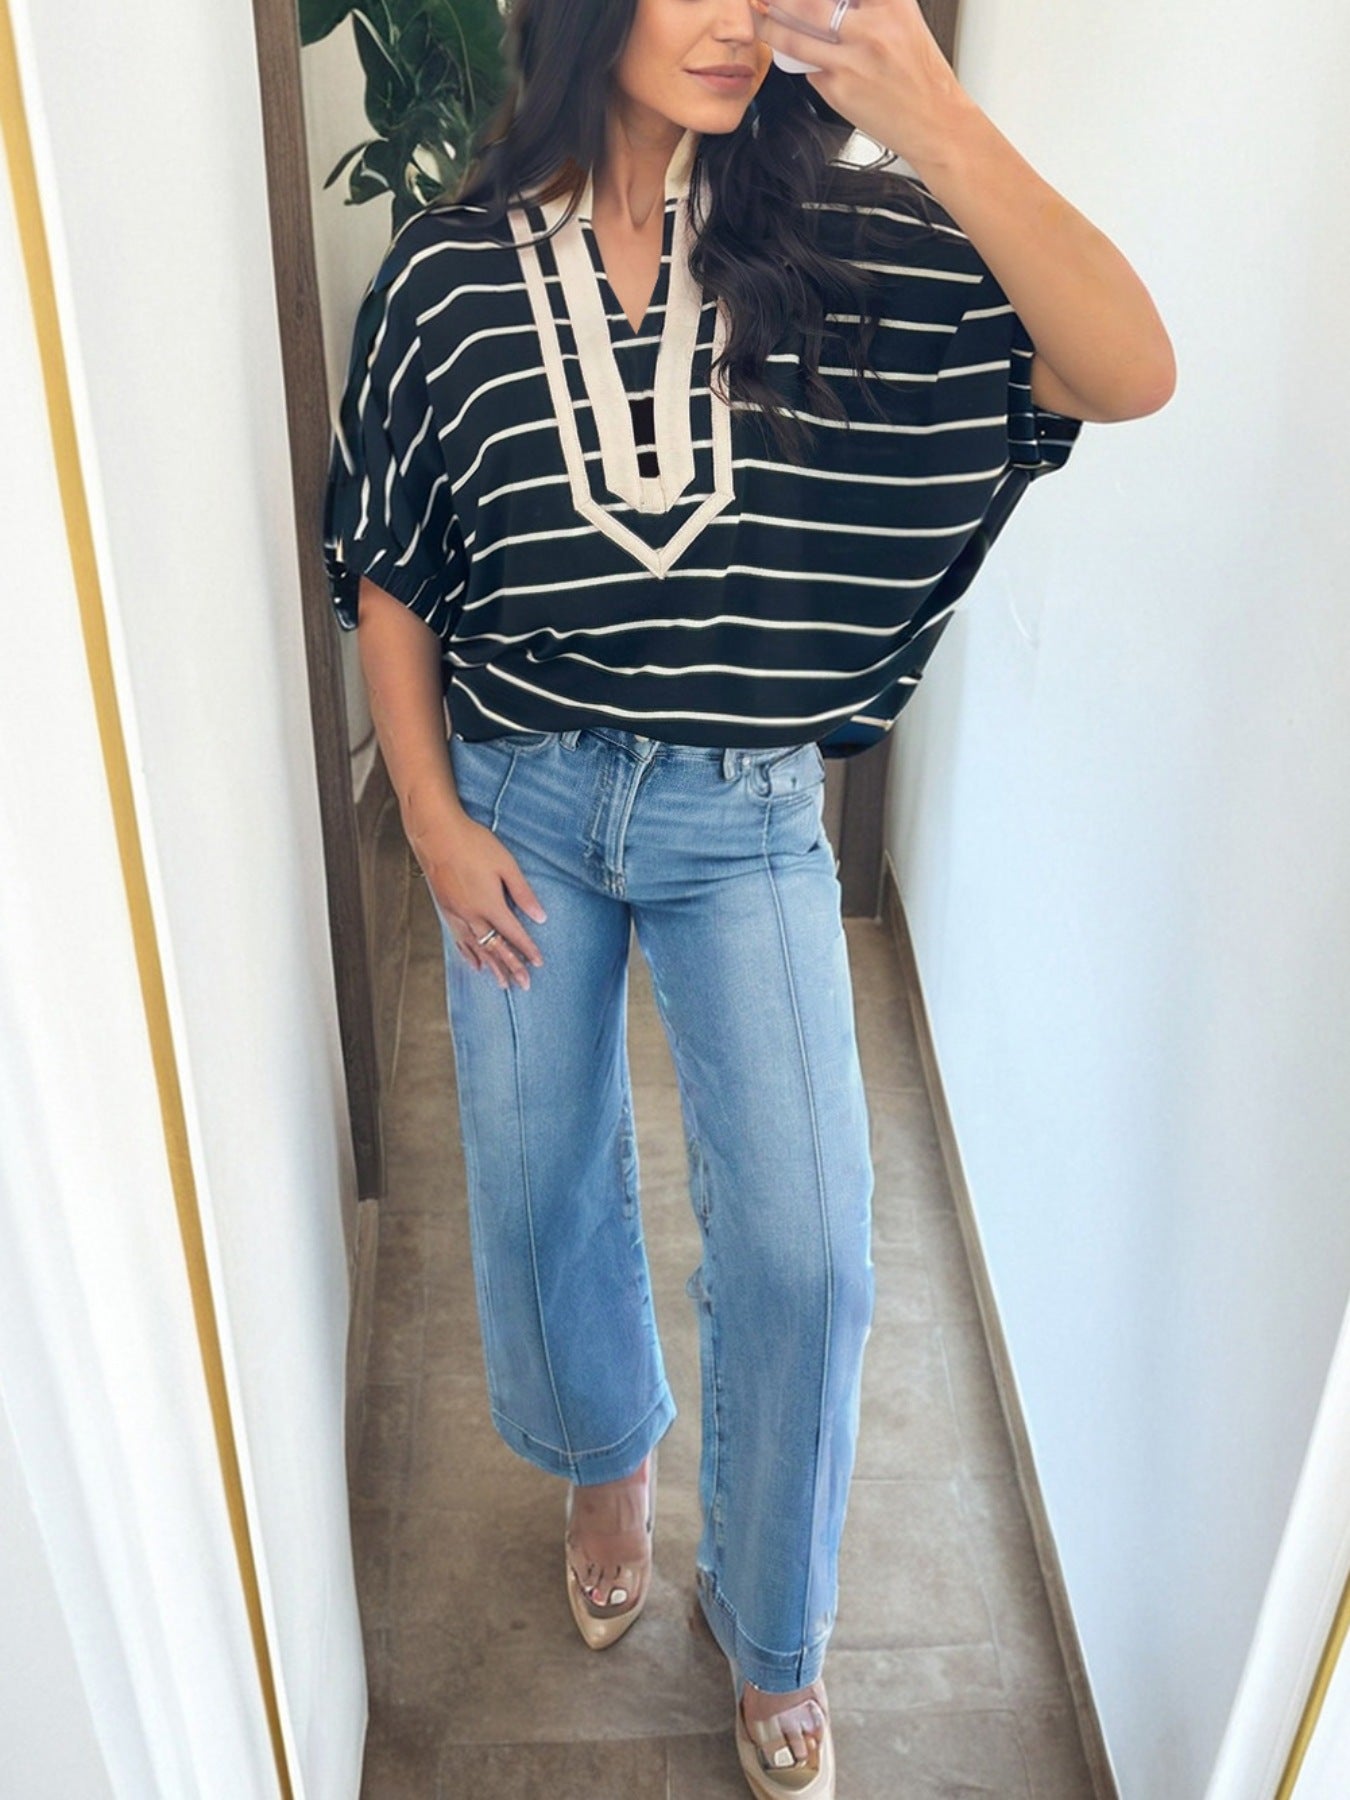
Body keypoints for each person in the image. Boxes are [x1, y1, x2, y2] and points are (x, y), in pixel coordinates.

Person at [323, 0, 1174, 1790]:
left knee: (808, 1250)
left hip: (749, 812)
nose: (732, 15)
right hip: (522, 798)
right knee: (536, 1184)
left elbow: (1122, 368)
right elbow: (394, 561)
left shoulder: (866, 250)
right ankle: (604, 1456)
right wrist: (430, 815)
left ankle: (774, 1622)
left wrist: (929, 113)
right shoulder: (447, 276)